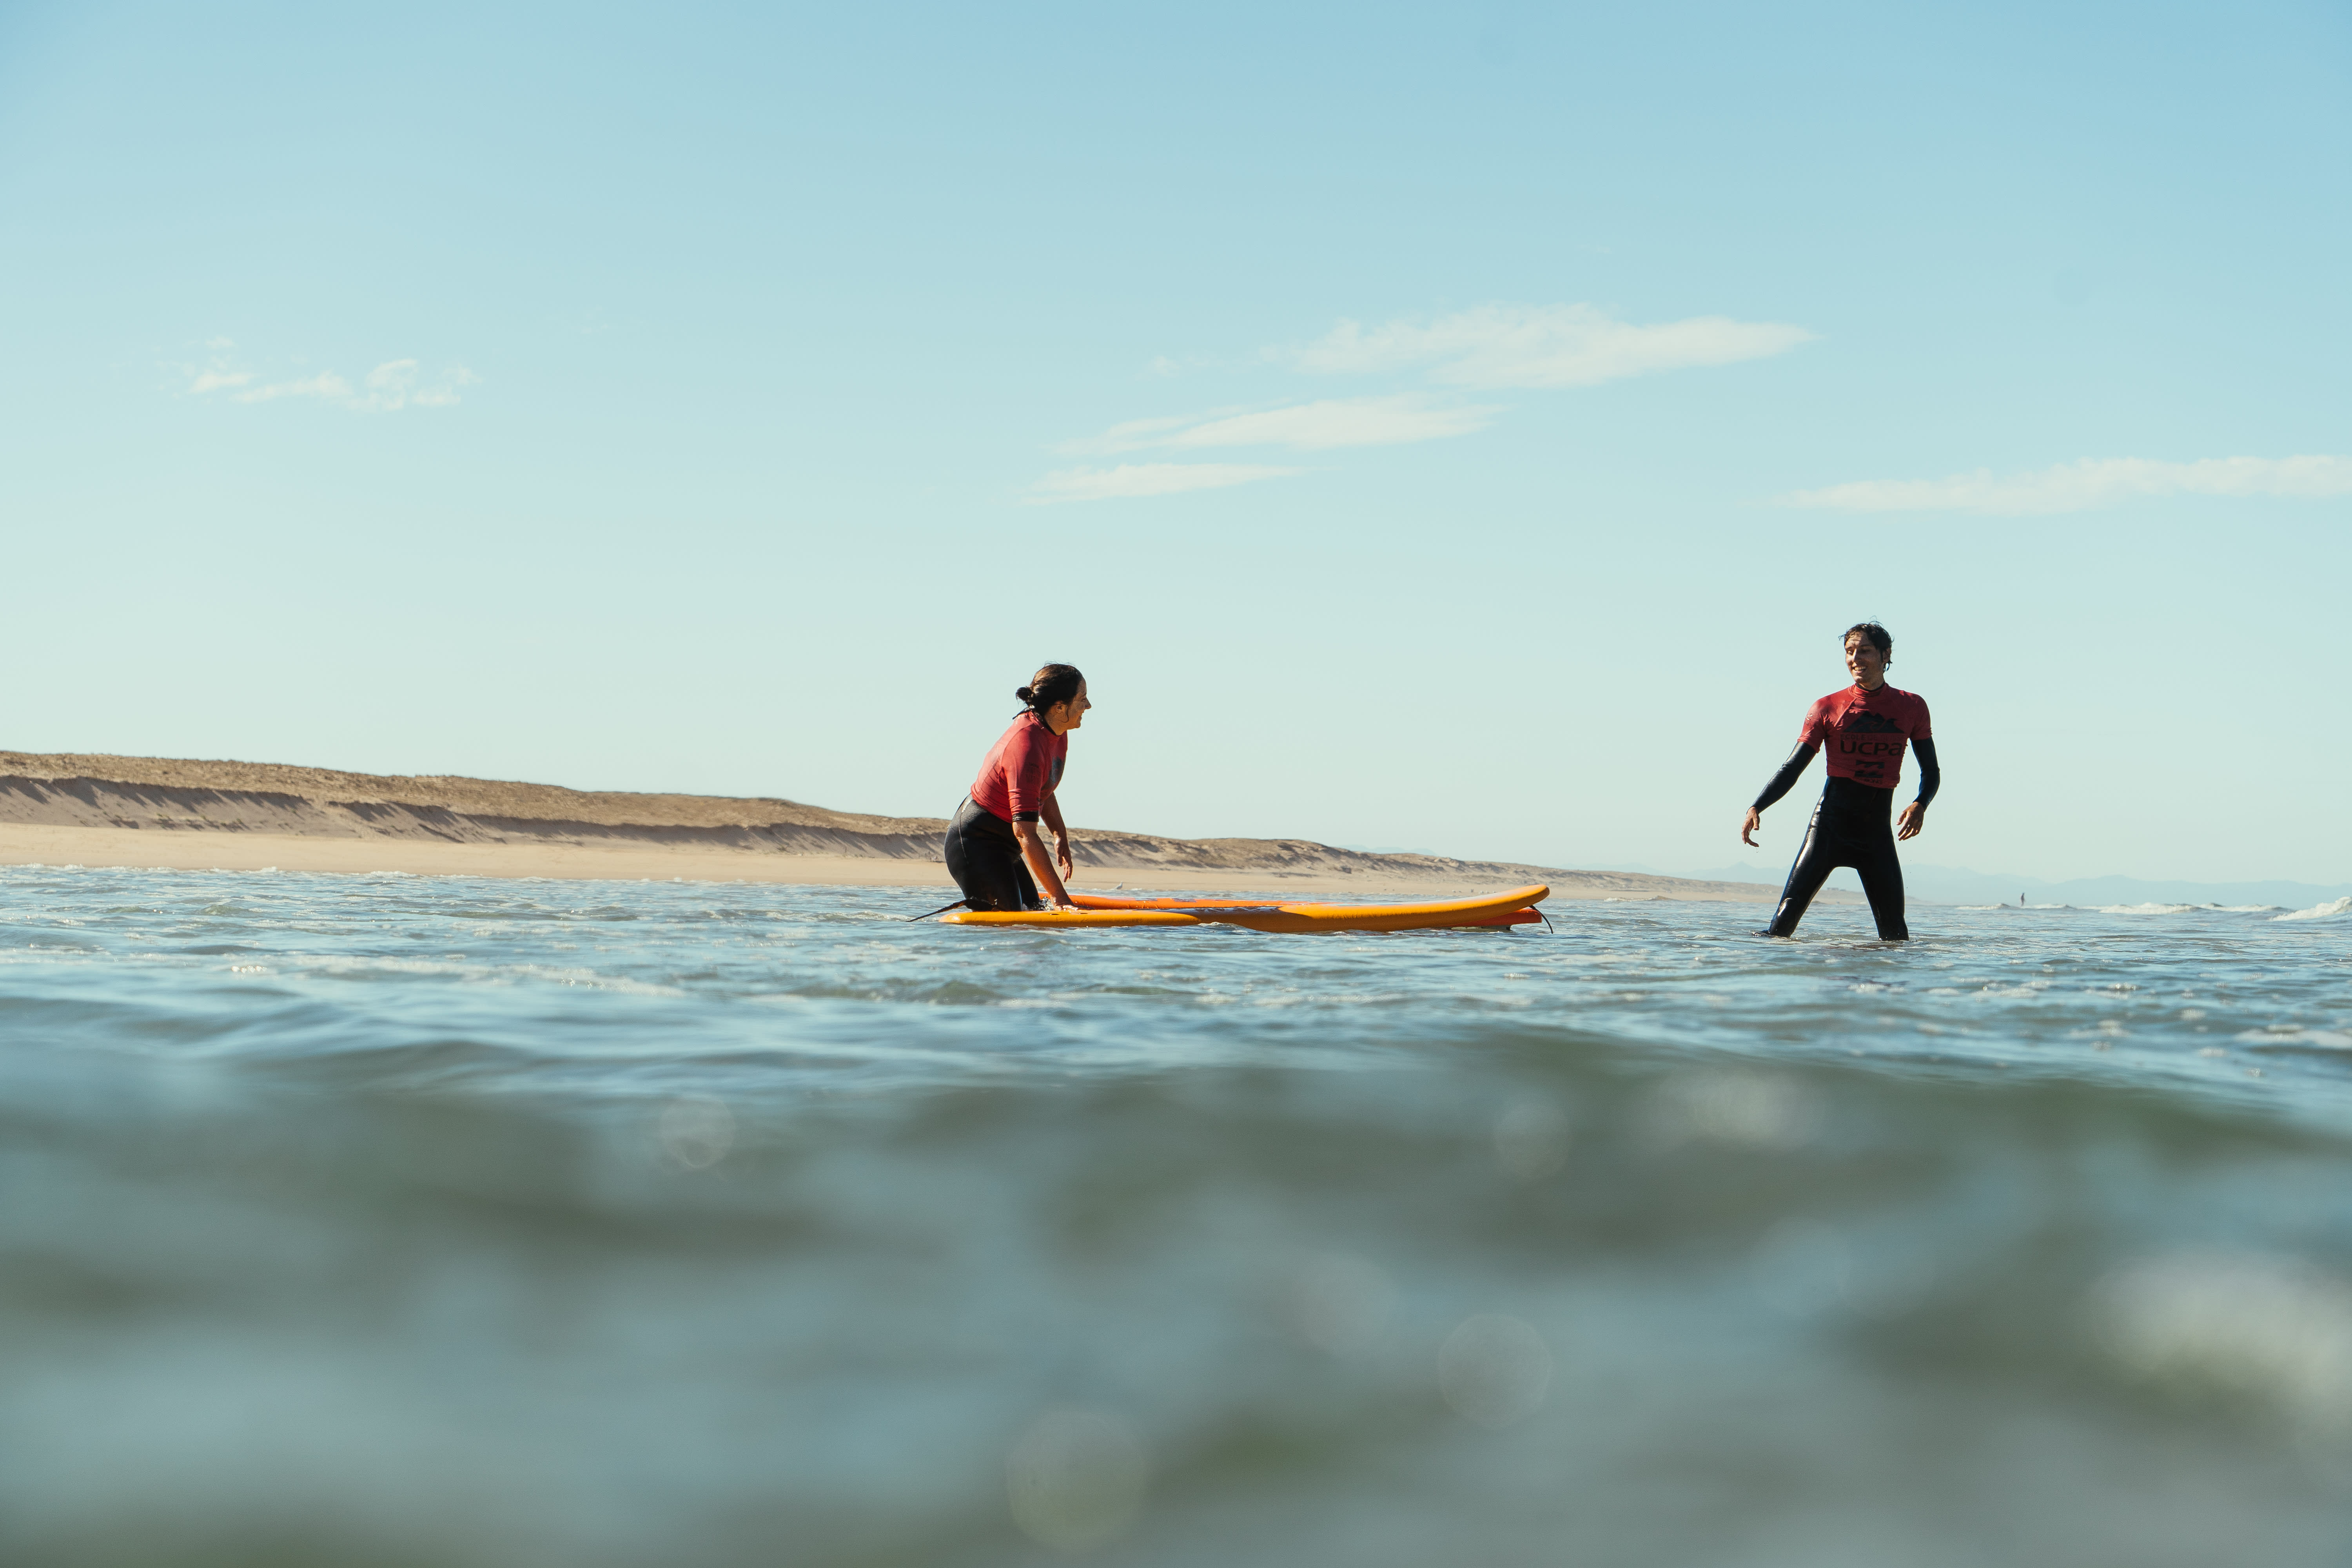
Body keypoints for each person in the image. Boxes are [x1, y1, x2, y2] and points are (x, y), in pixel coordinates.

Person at [1740, 622, 1940, 940]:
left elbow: (1931, 770)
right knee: (1780, 928)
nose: (1855, 659)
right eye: (1849, 652)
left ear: (1886, 655)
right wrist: (1757, 806)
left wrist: (1921, 804)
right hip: (1828, 829)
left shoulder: (1912, 707)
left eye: (1865, 651)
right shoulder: (1827, 707)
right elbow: (1793, 767)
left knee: (1896, 939)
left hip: (1875, 835)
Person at [943, 664, 1093, 913]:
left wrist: (1060, 835)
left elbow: (1043, 788)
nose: (1088, 706)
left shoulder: (1055, 731)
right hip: (976, 842)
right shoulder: (1026, 745)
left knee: (1033, 910)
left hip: (1006, 845)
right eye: (1082, 699)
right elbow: (1024, 833)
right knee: (1011, 918)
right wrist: (1061, 900)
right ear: (1059, 707)